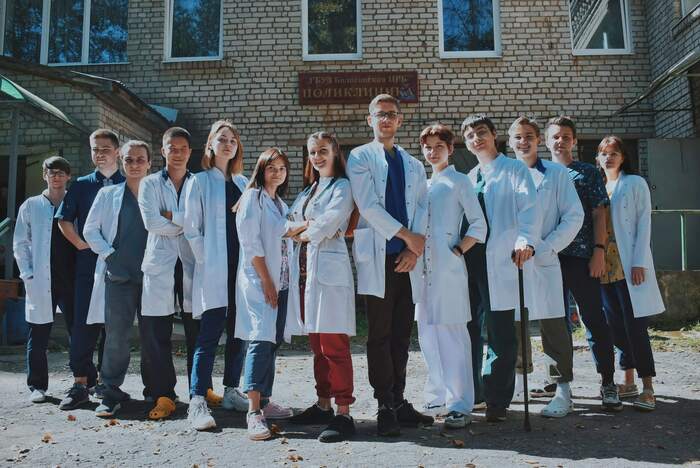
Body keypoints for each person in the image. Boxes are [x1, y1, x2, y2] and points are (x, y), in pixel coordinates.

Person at [347, 94, 433, 437]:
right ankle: (384, 404)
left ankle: (399, 400)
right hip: (378, 257)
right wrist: (408, 236)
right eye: (380, 114)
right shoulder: (360, 156)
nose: (386, 119)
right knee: (379, 335)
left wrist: (414, 248)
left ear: (399, 121)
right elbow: (368, 205)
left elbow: (423, 207)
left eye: (392, 114)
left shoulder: (413, 164)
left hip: (406, 259)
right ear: (370, 120)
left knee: (401, 334)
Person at [461, 114, 538, 423]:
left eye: (481, 132)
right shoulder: (469, 177)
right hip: (469, 261)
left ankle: (497, 399)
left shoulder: (515, 170)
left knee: (500, 331)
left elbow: (529, 210)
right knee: (467, 327)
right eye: (470, 136)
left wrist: (525, 241)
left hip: (501, 259)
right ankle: (473, 392)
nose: (476, 139)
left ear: (494, 135)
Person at [508, 117, 584, 418]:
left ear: (538, 140)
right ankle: (519, 382)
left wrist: (548, 246)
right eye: (517, 137)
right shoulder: (505, 174)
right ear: (509, 142)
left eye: (529, 136)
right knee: (515, 324)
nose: (523, 141)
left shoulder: (555, 173)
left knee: (553, 327)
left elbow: (574, 215)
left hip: (544, 259)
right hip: (512, 262)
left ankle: (563, 389)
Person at [546, 116, 621, 411]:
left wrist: (599, 250)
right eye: (555, 136)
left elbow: (600, 213)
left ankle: (608, 382)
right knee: (555, 323)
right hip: (549, 259)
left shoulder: (586, 172)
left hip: (582, 257)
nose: (560, 141)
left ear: (574, 141)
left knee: (593, 319)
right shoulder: (541, 172)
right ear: (546, 141)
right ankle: (558, 382)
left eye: (566, 136)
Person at [286, 132, 357, 442]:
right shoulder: (309, 190)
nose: (317, 157)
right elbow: (286, 224)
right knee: (317, 346)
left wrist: (303, 229)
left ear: (335, 152)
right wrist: (306, 227)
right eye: (313, 152)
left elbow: (329, 223)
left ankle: (344, 412)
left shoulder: (343, 186)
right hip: (306, 277)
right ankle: (323, 404)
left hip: (329, 276)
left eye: (323, 151)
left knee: (334, 346)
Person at [415, 123, 487, 429]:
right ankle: (437, 397)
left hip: (449, 269)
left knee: (454, 337)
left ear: (450, 149)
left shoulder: (460, 181)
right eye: (428, 147)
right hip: (421, 270)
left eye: (438, 147)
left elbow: (478, 224)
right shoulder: (422, 184)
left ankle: (460, 404)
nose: (433, 152)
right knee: (427, 335)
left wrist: (457, 249)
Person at [183, 121, 250, 430]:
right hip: (213, 270)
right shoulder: (198, 181)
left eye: (232, 140)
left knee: (239, 333)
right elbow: (191, 229)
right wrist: (207, 261)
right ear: (210, 144)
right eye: (222, 139)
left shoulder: (243, 183)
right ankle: (197, 399)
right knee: (208, 335)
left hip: (241, 269)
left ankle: (231, 391)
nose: (228, 144)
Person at [56, 129, 125, 410]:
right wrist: (82, 245)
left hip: (120, 267)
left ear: (117, 151)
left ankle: (107, 384)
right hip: (87, 267)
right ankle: (80, 384)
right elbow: (64, 220)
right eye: (95, 149)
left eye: (105, 149)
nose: (99, 154)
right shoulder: (82, 185)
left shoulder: (129, 183)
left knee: (114, 327)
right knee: (83, 326)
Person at [82, 141, 152, 418]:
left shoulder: (158, 193)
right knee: (116, 337)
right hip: (119, 276)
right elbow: (90, 230)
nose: (134, 165)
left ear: (149, 163)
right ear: (122, 163)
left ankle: (157, 391)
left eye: (140, 159)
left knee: (153, 337)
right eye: (129, 160)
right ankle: (110, 392)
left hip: (152, 276)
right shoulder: (108, 194)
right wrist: (110, 255)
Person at [596, 135, 664, 411]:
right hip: (605, 268)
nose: (609, 158)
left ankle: (648, 388)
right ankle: (628, 382)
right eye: (604, 153)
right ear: (598, 158)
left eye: (614, 153)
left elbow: (643, 223)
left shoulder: (635, 183)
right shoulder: (600, 186)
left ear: (623, 157)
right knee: (616, 327)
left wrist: (639, 263)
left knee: (635, 327)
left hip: (628, 266)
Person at [235, 148, 296, 440]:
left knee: (272, 340)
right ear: (261, 170)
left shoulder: (280, 204)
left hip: (281, 282)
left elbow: (288, 235)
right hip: (261, 281)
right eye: (272, 168)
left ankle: (266, 401)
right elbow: (251, 244)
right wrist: (267, 281)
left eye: (282, 168)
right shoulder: (252, 198)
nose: (277, 173)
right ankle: (253, 411)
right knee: (260, 339)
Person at [13, 156, 76, 403]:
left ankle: (84, 382)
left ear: (68, 176)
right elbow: (20, 242)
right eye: (52, 172)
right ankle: (37, 386)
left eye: (61, 172)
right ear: (44, 176)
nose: (56, 177)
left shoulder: (75, 201)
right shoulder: (31, 205)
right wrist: (27, 273)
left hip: (71, 278)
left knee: (78, 333)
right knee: (38, 334)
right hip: (40, 279)